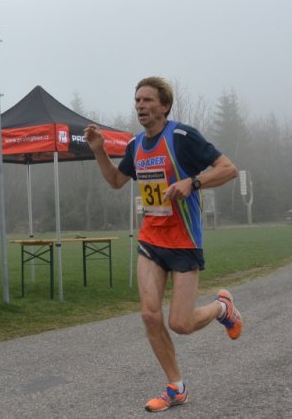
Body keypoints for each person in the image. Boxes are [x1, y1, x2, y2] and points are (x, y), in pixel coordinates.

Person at [84, 76, 241, 412]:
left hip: (184, 241)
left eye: (148, 100)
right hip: (151, 240)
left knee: (181, 324)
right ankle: (176, 387)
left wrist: (193, 182)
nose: (140, 106)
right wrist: (99, 152)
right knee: (150, 315)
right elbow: (116, 181)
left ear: (165, 106)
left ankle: (222, 308)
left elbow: (229, 170)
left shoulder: (182, 137)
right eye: (137, 100)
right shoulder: (136, 145)